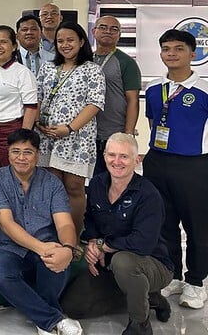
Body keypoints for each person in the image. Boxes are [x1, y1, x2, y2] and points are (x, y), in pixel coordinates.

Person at [61, 133, 173, 335]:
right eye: (112, 155)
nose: (117, 161)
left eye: (124, 156)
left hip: (152, 263)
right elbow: (91, 219)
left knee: (124, 262)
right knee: (73, 306)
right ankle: (148, 297)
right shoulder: (97, 184)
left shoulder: (148, 194)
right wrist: (93, 243)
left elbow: (143, 243)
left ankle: (140, 324)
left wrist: (104, 246)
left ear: (137, 160)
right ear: (104, 156)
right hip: (110, 263)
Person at [0, 129, 82, 335]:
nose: (21, 158)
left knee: (57, 265)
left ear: (37, 154)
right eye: (16, 151)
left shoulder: (52, 183)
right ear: (8, 153)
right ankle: (52, 319)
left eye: (28, 152)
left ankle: (43, 319)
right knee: (0, 274)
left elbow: (64, 224)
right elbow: (6, 223)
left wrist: (67, 249)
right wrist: (41, 248)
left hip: (47, 242)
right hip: (10, 247)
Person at [144, 29, 208, 309]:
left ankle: (196, 281)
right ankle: (173, 275)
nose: (171, 54)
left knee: (197, 225)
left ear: (193, 54)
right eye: (166, 48)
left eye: (179, 48)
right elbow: (152, 121)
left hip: (194, 165)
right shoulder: (154, 88)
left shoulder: (204, 90)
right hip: (158, 161)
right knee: (164, 222)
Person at [36, 22, 105, 235]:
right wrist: (38, 122)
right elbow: (37, 97)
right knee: (53, 187)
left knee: (74, 187)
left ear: (81, 41)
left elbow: (95, 103)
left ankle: (73, 237)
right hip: (48, 136)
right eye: (60, 41)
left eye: (70, 40)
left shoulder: (92, 69)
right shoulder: (48, 67)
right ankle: (53, 235)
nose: (65, 45)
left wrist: (69, 128)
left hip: (77, 137)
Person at [0, 25, 38, 245]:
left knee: (16, 183)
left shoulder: (22, 72)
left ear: (14, 46)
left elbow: (31, 107)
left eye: (4, 42)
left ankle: (22, 235)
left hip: (12, 133)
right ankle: (2, 233)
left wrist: (23, 140)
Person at [91, 15, 141, 176]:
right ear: (93, 31)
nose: (108, 31)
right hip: (86, 134)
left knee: (113, 179)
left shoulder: (126, 62)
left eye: (114, 29)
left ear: (119, 35)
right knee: (89, 183)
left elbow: (133, 100)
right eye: (103, 27)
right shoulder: (85, 60)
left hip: (113, 133)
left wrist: (128, 134)